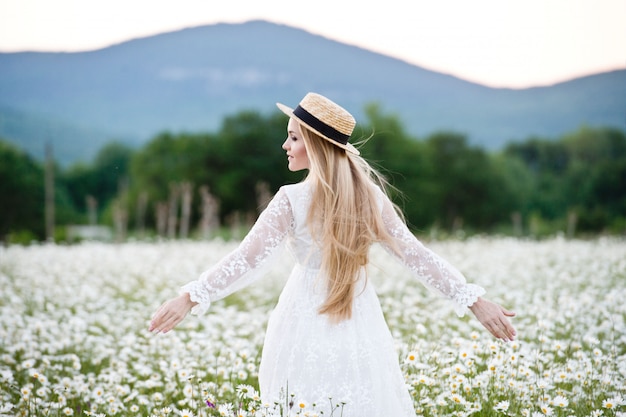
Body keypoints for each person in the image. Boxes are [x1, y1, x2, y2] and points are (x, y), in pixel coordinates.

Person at [149, 92, 516, 416]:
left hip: (306, 316)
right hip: (358, 318)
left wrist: (190, 297)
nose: (285, 145)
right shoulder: (366, 196)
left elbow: (246, 259)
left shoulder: (292, 199)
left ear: (315, 144)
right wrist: (472, 299)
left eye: (293, 137)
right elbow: (416, 256)